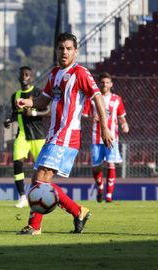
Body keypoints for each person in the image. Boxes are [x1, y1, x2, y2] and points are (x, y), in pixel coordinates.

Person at [15, 32, 113, 235]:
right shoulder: (53, 74)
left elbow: (98, 100)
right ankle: (79, 212)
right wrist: (28, 102)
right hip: (53, 134)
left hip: (67, 135)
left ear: (76, 51)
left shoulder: (81, 73)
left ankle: (34, 227)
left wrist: (104, 127)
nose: (65, 52)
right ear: (56, 50)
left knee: (42, 178)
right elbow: (43, 100)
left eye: (69, 48)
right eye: (61, 48)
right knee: (37, 181)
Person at [4, 66, 49, 208]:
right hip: (22, 135)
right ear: (18, 77)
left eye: (27, 75)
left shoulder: (37, 93)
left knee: (42, 169)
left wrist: (34, 114)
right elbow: (15, 113)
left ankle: (41, 196)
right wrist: (9, 120)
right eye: (22, 75)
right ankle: (22, 196)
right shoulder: (15, 96)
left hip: (38, 136)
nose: (24, 77)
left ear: (31, 77)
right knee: (17, 163)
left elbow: (48, 111)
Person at [83, 72, 129, 203]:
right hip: (96, 137)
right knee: (96, 167)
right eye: (102, 82)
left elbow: (121, 117)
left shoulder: (117, 99)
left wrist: (124, 124)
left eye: (107, 82)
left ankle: (108, 195)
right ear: (99, 84)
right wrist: (92, 117)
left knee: (111, 163)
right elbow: (84, 115)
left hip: (112, 137)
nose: (105, 84)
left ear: (111, 84)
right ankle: (100, 187)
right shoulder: (92, 99)